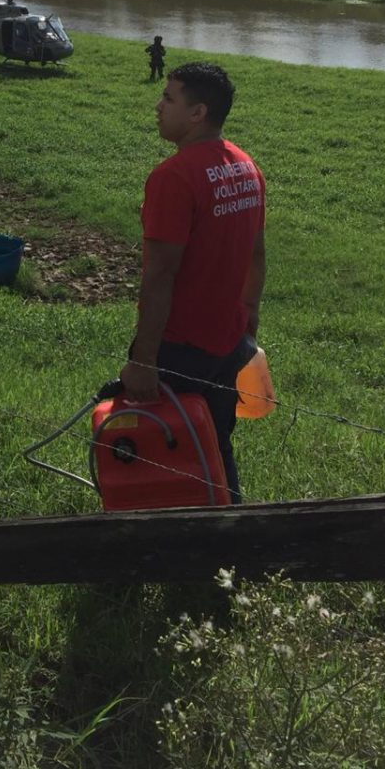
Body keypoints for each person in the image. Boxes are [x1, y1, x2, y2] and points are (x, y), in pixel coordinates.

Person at [119, 62, 266, 503]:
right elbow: (257, 255)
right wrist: (249, 320)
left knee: (163, 448)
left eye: (169, 98)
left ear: (198, 112)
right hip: (228, 340)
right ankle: (228, 529)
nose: (158, 106)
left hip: (181, 348)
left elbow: (160, 274)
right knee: (216, 444)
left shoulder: (173, 177)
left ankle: (175, 545)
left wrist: (144, 359)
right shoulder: (244, 166)